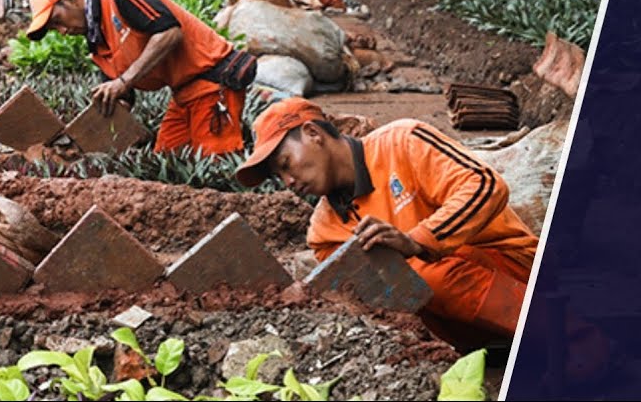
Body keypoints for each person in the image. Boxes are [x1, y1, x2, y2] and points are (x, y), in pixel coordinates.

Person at [232, 98, 582, 353]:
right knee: (412, 291)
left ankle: (580, 341)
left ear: (313, 133)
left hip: (523, 275)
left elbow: (486, 186)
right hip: (462, 326)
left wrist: (417, 241)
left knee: (426, 276)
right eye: (279, 176)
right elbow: (371, 306)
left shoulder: (402, 142)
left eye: (286, 163)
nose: (288, 181)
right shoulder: (323, 231)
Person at [26, 0, 256, 156]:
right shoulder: (97, 45)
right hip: (183, 95)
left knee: (213, 163)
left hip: (212, 83)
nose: (63, 31)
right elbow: (123, 99)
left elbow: (169, 32)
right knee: (167, 159)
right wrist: (84, 135)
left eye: (57, 21)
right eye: (55, 30)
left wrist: (123, 81)